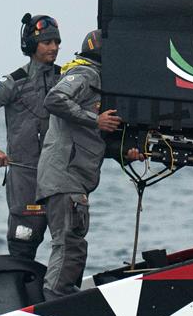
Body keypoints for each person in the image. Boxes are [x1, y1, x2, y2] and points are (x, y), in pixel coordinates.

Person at [36, 29, 142, 300]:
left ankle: (59, 298)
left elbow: (88, 140)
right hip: (64, 178)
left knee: (72, 243)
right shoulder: (85, 74)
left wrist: (123, 153)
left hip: (70, 178)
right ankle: (57, 302)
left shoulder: (96, 81)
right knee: (69, 244)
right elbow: (55, 99)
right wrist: (95, 120)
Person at [0, 14, 62, 260]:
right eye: (47, 42)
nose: (54, 47)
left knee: (70, 243)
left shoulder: (68, 79)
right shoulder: (13, 83)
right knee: (23, 243)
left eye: (57, 42)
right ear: (31, 46)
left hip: (63, 177)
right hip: (25, 178)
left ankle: (61, 292)